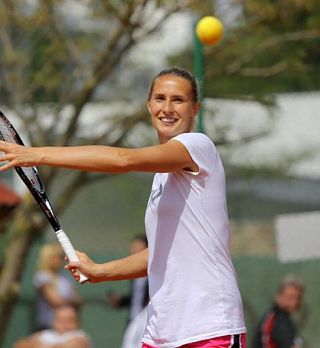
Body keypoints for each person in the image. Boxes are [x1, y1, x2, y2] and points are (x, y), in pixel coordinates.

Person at [0, 67, 246, 348]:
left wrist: (36, 154)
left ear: (195, 109)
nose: (167, 108)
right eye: (160, 98)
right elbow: (162, 253)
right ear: (149, 105)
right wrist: (101, 271)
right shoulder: (162, 178)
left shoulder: (197, 145)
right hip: (161, 331)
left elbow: (122, 160)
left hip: (208, 328)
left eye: (178, 100)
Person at [33, 243, 82, 331]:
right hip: (48, 325)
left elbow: (78, 300)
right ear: (48, 258)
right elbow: (55, 301)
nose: (61, 260)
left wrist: (68, 301)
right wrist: (71, 301)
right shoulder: (42, 276)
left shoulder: (65, 277)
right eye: (58, 257)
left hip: (69, 325)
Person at [252, 274, 304, 348]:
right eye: (288, 296)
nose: (290, 301)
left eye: (294, 298)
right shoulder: (280, 321)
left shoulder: (271, 316)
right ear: (278, 296)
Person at [107, 234, 149, 325]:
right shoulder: (134, 274)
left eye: (137, 247)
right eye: (133, 247)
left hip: (147, 321)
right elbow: (136, 298)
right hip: (133, 320)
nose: (133, 250)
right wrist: (121, 301)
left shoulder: (153, 273)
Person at [14, 304, 91, 348]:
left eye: (69, 320)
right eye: (60, 320)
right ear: (53, 321)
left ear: (77, 322)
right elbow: (20, 345)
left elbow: (76, 345)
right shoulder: (46, 333)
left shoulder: (80, 335)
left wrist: (39, 345)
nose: (64, 323)